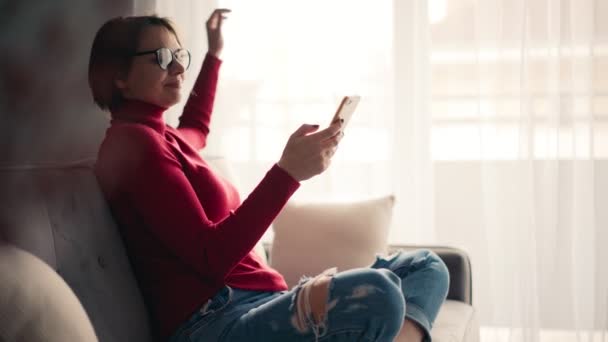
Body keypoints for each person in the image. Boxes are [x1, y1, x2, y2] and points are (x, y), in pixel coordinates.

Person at [89, 9, 449, 342]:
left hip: (261, 301)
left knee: (426, 266)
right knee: (379, 292)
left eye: (180, 57)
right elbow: (211, 256)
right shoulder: (133, 145)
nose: (179, 69)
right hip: (216, 322)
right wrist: (287, 174)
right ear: (118, 76)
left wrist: (214, 53)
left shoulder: (160, 136)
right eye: (162, 58)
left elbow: (196, 125)